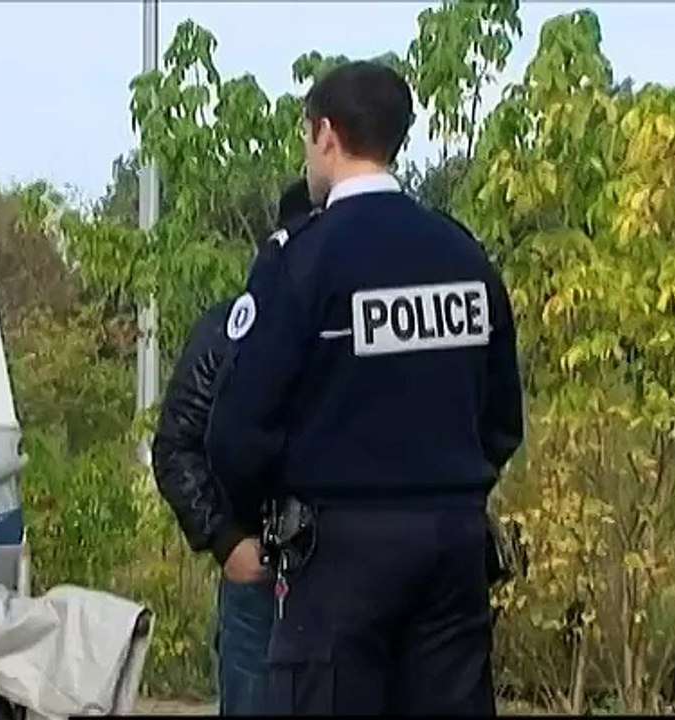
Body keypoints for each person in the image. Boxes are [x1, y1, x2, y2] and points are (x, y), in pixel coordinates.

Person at [205, 60, 524, 715]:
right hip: (452, 547)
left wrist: (264, 517)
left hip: (339, 556)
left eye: (305, 137)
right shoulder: (462, 256)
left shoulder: (303, 259)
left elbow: (237, 429)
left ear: (325, 134)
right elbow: (500, 417)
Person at [150, 179, 318, 715]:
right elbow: (177, 443)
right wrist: (224, 538)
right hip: (263, 572)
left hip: (357, 575)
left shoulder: (358, 328)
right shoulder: (232, 327)